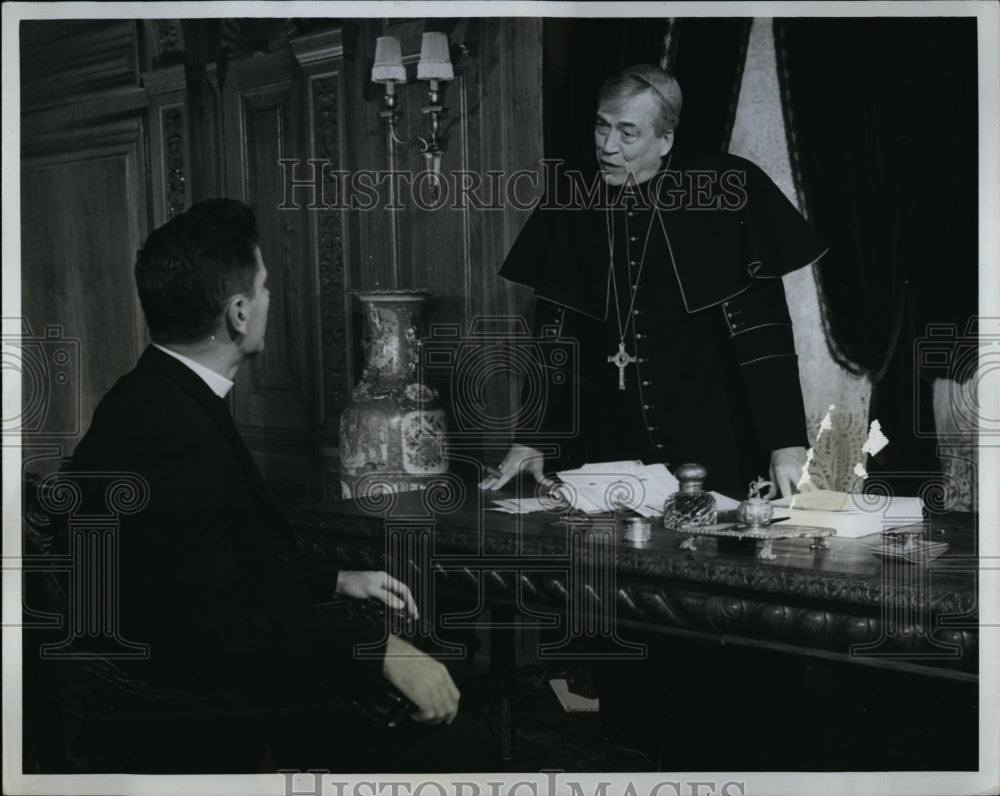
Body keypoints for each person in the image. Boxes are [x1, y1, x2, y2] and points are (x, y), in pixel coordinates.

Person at [67, 199, 495, 773]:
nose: (271, 300)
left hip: (204, 685)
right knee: (468, 743)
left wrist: (336, 578)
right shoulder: (171, 430)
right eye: (265, 288)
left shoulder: (153, 396)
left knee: (450, 673)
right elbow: (211, 638)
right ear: (239, 313)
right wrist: (375, 652)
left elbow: (205, 569)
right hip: (204, 721)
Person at [480, 64, 827, 500]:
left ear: (665, 140)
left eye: (627, 133)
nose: (607, 146)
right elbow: (554, 334)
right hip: (607, 448)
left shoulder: (726, 189)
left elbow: (764, 332)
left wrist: (786, 444)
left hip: (714, 446)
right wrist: (532, 437)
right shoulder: (572, 197)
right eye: (601, 126)